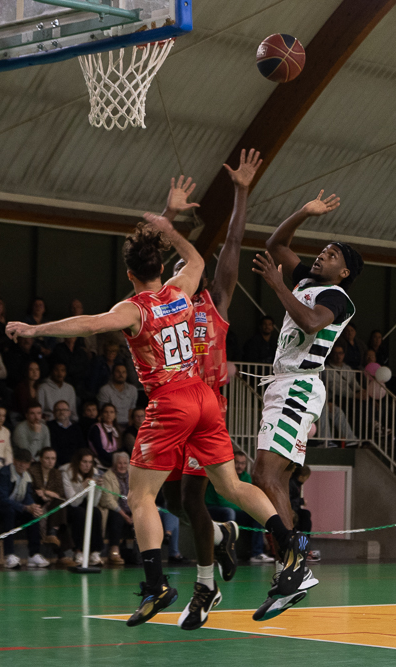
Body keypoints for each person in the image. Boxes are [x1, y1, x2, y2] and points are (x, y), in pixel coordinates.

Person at [6, 209, 302, 628]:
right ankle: (290, 546)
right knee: (232, 486)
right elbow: (197, 260)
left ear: (129, 274)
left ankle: (156, 584)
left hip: (170, 402)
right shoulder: (182, 289)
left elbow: (89, 325)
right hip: (204, 397)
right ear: (162, 269)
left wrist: (35, 331)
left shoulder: (134, 308)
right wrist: (169, 228)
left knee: (141, 497)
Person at [248, 187, 363, 618]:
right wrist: (303, 211)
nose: (322, 256)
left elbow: (311, 321)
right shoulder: (309, 281)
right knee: (270, 479)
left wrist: (278, 286)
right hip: (285, 386)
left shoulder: (338, 298)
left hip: (297, 387)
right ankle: (293, 567)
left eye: (332, 255)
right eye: (323, 250)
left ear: (345, 271)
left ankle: (294, 567)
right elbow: (275, 244)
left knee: (266, 475)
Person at [157, 154, 260, 625]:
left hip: (206, 411)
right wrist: (170, 215)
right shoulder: (164, 303)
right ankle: (222, 536)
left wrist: (240, 191)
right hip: (171, 408)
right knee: (174, 500)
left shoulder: (215, 300)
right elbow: (142, 254)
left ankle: (204, 588)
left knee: (192, 500)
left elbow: (234, 241)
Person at [0, 447, 49, 569]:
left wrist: (32, 506)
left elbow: (27, 496)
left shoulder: (26, 477)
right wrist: (25, 507)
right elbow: (2, 499)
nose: (21, 464)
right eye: (19, 461)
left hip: (13, 507)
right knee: (9, 512)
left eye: (25, 462)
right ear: (14, 461)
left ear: (29, 464)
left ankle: (34, 554)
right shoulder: (4, 473)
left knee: (33, 515)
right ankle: (9, 555)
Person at [205, 450, 271, 564]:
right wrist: (244, 506)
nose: (240, 466)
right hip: (214, 508)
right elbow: (223, 501)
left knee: (256, 515)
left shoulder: (246, 477)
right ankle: (228, 552)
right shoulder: (223, 475)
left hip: (235, 509)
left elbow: (249, 498)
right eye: (237, 462)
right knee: (229, 512)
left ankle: (257, 553)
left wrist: (250, 509)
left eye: (242, 463)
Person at [61, 449, 105, 566]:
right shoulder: (67, 473)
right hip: (70, 506)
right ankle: (78, 551)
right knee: (79, 513)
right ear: (78, 462)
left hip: (87, 504)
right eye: (84, 462)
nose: (87, 465)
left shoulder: (95, 473)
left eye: (90, 462)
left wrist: (98, 489)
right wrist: (83, 486)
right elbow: (73, 502)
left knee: (96, 512)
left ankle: (95, 552)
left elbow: (94, 503)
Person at [28, 446, 72, 564]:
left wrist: (45, 492)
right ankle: (61, 555)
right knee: (58, 514)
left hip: (52, 505)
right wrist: (47, 495)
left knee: (59, 506)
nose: (50, 461)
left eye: (53, 458)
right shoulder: (33, 470)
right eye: (47, 458)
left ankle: (52, 534)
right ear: (41, 459)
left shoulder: (56, 473)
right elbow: (34, 491)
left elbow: (60, 494)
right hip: (37, 503)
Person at [100, 451, 137, 566]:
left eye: (125, 463)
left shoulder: (133, 476)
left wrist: (134, 513)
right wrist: (125, 515)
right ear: (115, 464)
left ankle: (144, 554)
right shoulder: (108, 476)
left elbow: (138, 495)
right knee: (116, 518)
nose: (122, 466)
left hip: (132, 510)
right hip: (116, 510)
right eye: (119, 463)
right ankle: (114, 550)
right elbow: (108, 499)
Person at [97, 364, 138, 431]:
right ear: (113, 373)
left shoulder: (133, 389)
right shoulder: (105, 389)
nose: (121, 374)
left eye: (123, 372)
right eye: (118, 372)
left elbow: (132, 408)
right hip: (112, 424)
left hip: (128, 424)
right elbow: (103, 411)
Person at [48, 399, 87, 466]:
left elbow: (81, 447)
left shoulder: (76, 428)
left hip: (76, 464)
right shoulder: (49, 427)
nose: (61, 412)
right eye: (58, 410)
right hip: (58, 464)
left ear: (69, 412)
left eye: (64, 410)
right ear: (53, 413)